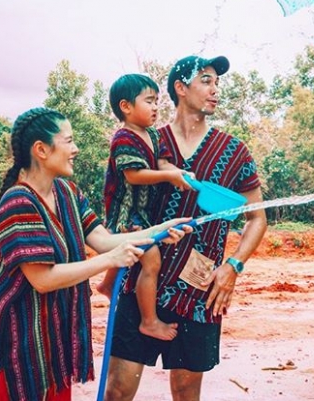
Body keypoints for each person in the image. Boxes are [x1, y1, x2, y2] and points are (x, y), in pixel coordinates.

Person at [0, 107, 192, 401]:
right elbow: (43, 279)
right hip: (13, 349)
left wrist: (159, 231)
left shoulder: (67, 192)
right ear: (41, 150)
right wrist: (110, 261)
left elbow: (102, 240)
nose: (75, 149)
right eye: (69, 141)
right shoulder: (19, 202)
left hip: (50, 347)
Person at [104, 55, 268, 401]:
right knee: (119, 388)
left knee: (185, 389)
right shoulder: (148, 142)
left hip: (200, 287)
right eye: (206, 81)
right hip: (140, 284)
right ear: (181, 88)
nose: (215, 90)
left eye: (217, 83)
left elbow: (257, 217)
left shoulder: (235, 151)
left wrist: (233, 266)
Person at [97, 73, 192, 341]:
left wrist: (179, 173)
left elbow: (162, 164)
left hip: (144, 213)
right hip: (126, 213)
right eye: (149, 101)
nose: (155, 107)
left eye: (157, 101)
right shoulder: (124, 138)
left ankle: (106, 284)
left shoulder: (152, 134)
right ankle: (148, 321)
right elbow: (134, 175)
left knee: (125, 252)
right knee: (151, 261)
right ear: (126, 106)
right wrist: (169, 177)